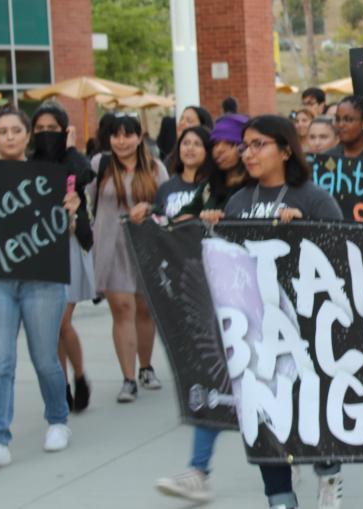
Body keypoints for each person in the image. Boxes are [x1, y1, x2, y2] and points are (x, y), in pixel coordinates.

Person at [203, 115, 342, 509]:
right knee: (262, 417)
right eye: (245, 145)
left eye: (259, 144)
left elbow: (343, 255)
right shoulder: (238, 201)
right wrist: (215, 228)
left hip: (306, 329)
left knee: (310, 414)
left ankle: (329, 472)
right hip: (254, 331)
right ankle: (280, 498)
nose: (248, 153)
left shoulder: (313, 197)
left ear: (284, 149)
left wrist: (307, 228)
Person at [155, 114, 250, 504]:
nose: (221, 151)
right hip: (218, 298)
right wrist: (153, 220)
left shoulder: (260, 187)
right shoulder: (210, 187)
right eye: (218, 145)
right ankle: (198, 471)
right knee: (215, 377)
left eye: (230, 144)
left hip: (260, 302)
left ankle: (300, 460)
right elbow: (180, 221)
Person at [0, 106, 81, 468]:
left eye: (17, 130)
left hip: (43, 280)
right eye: (3, 131)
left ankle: (58, 420)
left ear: (28, 136)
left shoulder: (51, 175)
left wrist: (71, 212)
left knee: (45, 359)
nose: (10, 136)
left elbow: (69, 231)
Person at [87, 113, 169, 402]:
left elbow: (166, 205)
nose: (121, 141)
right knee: (122, 309)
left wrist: (149, 207)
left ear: (139, 137)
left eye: (127, 135)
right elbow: (86, 199)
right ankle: (128, 378)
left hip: (146, 245)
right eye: (115, 135)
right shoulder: (100, 165)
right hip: (111, 246)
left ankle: (146, 366)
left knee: (144, 309)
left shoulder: (155, 168)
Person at [30, 104, 95, 413]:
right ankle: (63, 384)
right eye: (39, 129)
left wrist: (68, 148)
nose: (45, 135)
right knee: (54, 326)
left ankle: (79, 376)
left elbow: (86, 173)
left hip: (69, 245)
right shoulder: (29, 163)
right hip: (40, 248)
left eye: (52, 129)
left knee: (62, 320)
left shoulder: (72, 162)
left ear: (64, 130)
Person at [151, 126, 212, 220]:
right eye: (186, 143)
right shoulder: (165, 187)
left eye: (197, 144)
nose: (190, 148)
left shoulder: (213, 185)